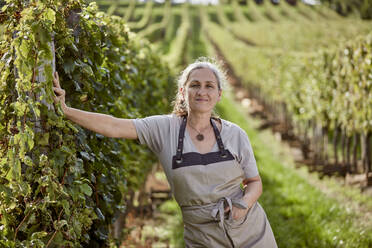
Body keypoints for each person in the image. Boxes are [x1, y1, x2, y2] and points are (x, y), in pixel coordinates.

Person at [53, 57, 277, 248]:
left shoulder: (235, 134)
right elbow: (114, 126)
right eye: (195, 85)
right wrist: (67, 111)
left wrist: (243, 205)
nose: (202, 91)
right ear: (183, 91)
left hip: (251, 232)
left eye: (209, 86)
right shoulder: (163, 129)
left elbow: (254, 182)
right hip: (203, 237)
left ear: (219, 94)